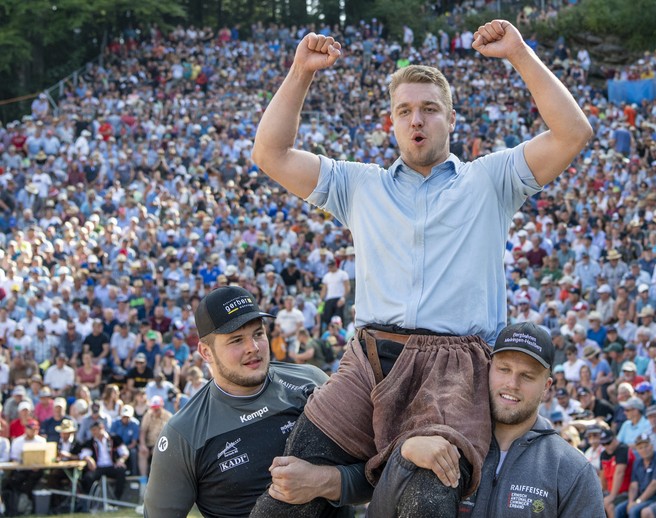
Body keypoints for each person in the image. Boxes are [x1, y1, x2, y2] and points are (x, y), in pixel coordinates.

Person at [251, 18, 592, 515]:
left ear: (451, 119)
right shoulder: (359, 185)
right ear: (390, 122)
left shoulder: (489, 181)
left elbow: (573, 132)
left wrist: (519, 53)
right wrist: (301, 71)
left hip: (453, 367)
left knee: (426, 501)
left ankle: (336, 482)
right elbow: (269, 153)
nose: (417, 120)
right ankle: (327, 482)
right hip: (368, 357)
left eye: (430, 109)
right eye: (405, 111)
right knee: (284, 495)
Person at [144, 286, 366, 517]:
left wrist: (323, 482)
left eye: (258, 334)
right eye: (236, 340)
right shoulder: (184, 433)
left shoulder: (311, 381)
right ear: (206, 352)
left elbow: (376, 476)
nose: (253, 348)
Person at [369, 322, 604, 516]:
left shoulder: (571, 469)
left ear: (547, 386)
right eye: (504, 369)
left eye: (527, 376)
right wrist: (403, 456)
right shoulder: (447, 441)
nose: (512, 384)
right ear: (488, 368)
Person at [616, 433, 656, 518]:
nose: (644, 449)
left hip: (655, 497)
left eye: (646, 446)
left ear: (651, 446)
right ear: (637, 450)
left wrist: (639, 501)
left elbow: (655, 485)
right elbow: (633, 485)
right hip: (639, 497)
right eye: (640, 448)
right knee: (619, 509)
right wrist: (631, 501)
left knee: (634, 510)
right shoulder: (638, 462)